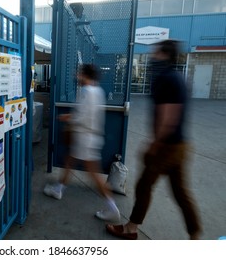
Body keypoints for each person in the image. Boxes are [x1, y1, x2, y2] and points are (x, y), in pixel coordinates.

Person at [106, 40, 202, 240]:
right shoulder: (177, 77)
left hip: (167, 146)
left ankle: (131, 229)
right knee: (180, 192)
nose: (151, 56)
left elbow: (169, 117)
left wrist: (155, 144)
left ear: (165, 54)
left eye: (155, 52)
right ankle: (195, 234)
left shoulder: (167, 78)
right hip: (180, 145)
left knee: (143, 186)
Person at [43, 64, 120, 222]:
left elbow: (82, 117)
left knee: (94, 175)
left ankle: (113, 208)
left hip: (85, 138)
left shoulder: (86, 91)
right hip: (88, 137)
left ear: (85, 75)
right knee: (69, 161)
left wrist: (66, 118)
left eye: (79, 74)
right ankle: (59, 188)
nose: (77, 77)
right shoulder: (97, 90)